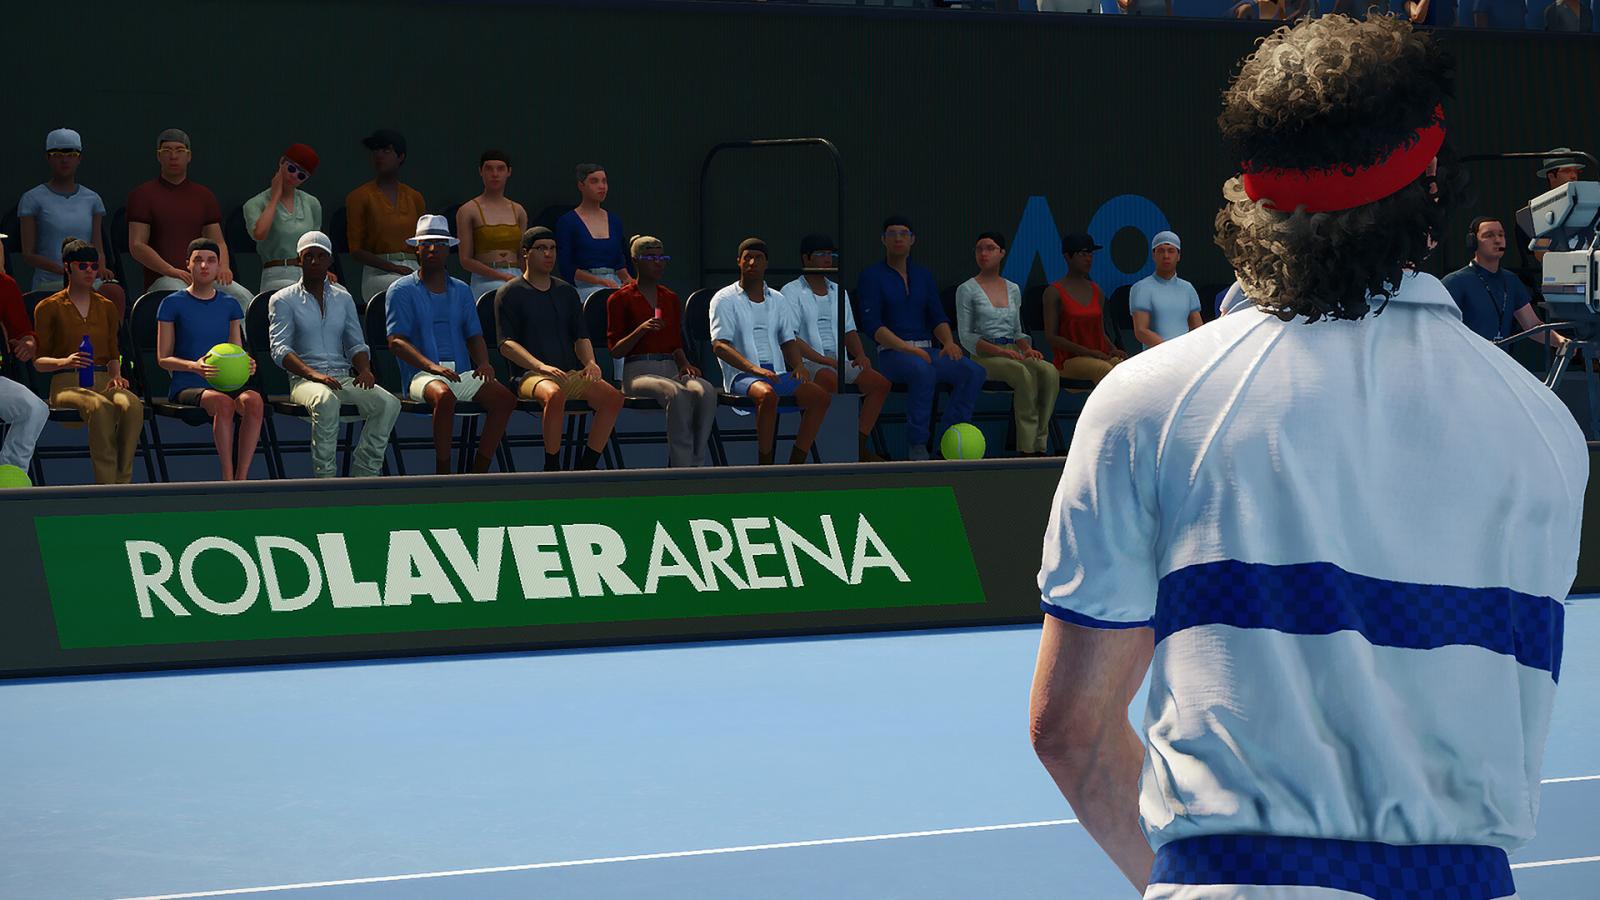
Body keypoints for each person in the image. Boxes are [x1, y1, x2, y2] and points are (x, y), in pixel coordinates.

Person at [1031, 15, 1585, 900]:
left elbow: (1073, 735)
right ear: (1431, 191)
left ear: (1251, 199)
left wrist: (1187, 883)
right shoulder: (1545, 431)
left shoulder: (1145, 404)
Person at [384, 215, 515, 475]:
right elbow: (396, 342)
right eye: (427, 243)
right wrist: (431, 367)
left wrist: (484, 363)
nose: (433, 249)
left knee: (505, 399)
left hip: (461, 374)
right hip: (421, 375)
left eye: (440, 244)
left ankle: (478, 472)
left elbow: (474, 334)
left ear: (448, 250)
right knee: (444, 396)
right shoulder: (400, 290)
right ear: (417, 249)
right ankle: (443, 473)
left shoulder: (462, 290)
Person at [267, 231, 399, 478]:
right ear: (299, 260)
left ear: (330, 260)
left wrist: (364, 370)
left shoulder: (343, 298)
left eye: (321, 256)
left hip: (342, 377)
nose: (314, 261)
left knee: (388, 403)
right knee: (325, 400)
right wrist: (313, 374)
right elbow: (280, 350)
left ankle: (365, 473)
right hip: (304, 382)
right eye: (308, 256)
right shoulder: (282, 300)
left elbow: (355, 343)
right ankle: (325, 478)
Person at [496, 226, 623, 472]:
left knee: (613, 397)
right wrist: (540, 366)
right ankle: (552, 467)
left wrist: (590, 363)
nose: (548, 254)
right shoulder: (509, 293)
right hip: (528, 375)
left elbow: (581, 336)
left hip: (567, 373)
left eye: (552, 248)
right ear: (526, 253)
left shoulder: (567, 292)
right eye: (541, 248)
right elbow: (506, 345)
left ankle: (586, 467)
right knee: (553, 394)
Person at [857, 216, 985, 461]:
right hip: (892, 354)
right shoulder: (871, 276)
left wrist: (948, 342)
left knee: (973, 371)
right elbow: (873, 326)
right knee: (922, 371)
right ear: (883, 240)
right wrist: (908, 349)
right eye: (892, 234)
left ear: (912, 239)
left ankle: (950, 441)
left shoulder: (923, 275)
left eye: (903, 233)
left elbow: (937, 316)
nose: (898, 238)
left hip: (927, 351)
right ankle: (917, 445)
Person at [709, 238, 832, 466]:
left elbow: (788, 340)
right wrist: (754, 369)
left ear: (766, 263)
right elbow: (719, 346)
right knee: (767, 395)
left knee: (820, 397)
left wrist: (799, 365)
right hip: (743, 376)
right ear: (739, 261)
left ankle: (796, 463)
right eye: (747, 258)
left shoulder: (778, 299)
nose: (752, 262)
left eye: (758, 258)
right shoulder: (724, 299)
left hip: (777, 373)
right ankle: (765, 465)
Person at [30, 239, 144, 484]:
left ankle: (123, 481)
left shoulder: (106, 307)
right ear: (67, 267)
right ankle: (106, 486)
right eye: (83, 266)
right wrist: (65, 361)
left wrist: (116, 374)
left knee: (132, 404)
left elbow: (113, 352)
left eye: (94, 266)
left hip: (104, 379)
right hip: (66, 383)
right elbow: (39, 362)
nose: (90, 271)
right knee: (99, 406)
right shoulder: (48, 307)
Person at [156, 239, 264, 481]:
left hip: (227, 383)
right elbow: (163, 358)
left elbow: (237, 349)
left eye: (211, 260)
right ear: (188, 264)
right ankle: (227, 477)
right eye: (198, 260)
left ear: (218, 266)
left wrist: (247, 364)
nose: (204, 265)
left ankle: (242, 478)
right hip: (188, 384)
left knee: (254, 401)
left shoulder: (230, 304)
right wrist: (194, 366)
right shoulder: (171, 303)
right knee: (223, 404)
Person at [778, 233, 891, 463]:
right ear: (806, 258)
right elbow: (791, 338)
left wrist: (860, 354)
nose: (828, 259)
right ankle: (807, 454)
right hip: (807, 362)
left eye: (831, 254)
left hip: (839, 361)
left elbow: (849, 330)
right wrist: (822, 360)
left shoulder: (839, 291)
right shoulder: (791, 291)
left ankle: (857, 446)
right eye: (821, 254)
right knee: (829, 379)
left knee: (879, 383)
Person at [606, 235, 717, 468]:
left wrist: (684, 363)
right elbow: (616, 351)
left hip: (671, 368)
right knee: (675, 393)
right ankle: (681, 467)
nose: (658, 263)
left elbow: (675, 342)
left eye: (661, 258)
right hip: (638, 372)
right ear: (636, 261)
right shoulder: (620, 299)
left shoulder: (669, 298)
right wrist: (641, 330)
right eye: (650, 258)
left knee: (705, 391)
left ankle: (697, 460)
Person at [955, 232, 1059, 457]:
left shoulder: (1013, 288)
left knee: (1049, 372)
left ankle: (1040, 442)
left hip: (1013, 350)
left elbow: (1016, 330)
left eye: (990, 248)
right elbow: (967, 337)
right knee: (1021, 373)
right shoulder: (966, 290)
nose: (983, 253)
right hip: (984, 356)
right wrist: (1000, 351)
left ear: (1002, 253)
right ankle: (1027, 448)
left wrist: (1026, 348)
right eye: (979, 249)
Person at [127, 129, 253, 306]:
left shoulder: (204, 196)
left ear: (189, 156)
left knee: (243, 297)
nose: (173, 156)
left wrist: (223, 267)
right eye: (167, 151)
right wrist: (170, 270)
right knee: (183, 297)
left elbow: (218, 241)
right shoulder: (143, 195)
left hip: (204, 275)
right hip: (164, 278)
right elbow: (137, 245)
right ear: (159, 156)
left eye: (179, 150)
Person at [17, 128, 125, 312]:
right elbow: (28, 254)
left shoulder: (92, 199)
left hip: (87, 277)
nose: (65, 160)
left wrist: (100, 267)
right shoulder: (32, 199)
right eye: (58, 154)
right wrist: (67, 271)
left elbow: (97, 247)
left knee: (113, 292)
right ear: (48, 158)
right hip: (50, 281)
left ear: (79, 158)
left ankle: (112, 333)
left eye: (71, 154)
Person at [1442, 217, 1567, 351]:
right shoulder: (1455, 282)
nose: (1497, 240)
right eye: (1489, 235)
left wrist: (1561, 341)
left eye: (1501, 235)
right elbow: (1440, 329)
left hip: (1500, 360)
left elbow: (1532, 326)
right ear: (1472, 242)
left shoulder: (1511, 280)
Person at [346, 129, 426, 304]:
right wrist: (393, 267)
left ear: (401, 156)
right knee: (405, 289)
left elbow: (423, 242)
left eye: (386, 150)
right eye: (376, 150)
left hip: (414, 268)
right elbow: (356, 250)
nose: (379, 155)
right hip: (378, 272)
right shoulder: (358, 197)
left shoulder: (415, 197)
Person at [1042, 233, 1126, 384]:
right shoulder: (1054, 292)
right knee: (1104, 369)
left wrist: (1112, 349)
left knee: (1124, 367)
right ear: (1068, 257)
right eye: (1082, 254)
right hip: (1069, 361)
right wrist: (1089, 352)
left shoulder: (1096, 290)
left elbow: (1100, 331)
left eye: (1091, 254)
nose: (1088, 259)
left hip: (1099, 356)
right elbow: (1051, 337)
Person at [244, 143, 324, 294]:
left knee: (340, 294)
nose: (294, 176)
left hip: (309, 271)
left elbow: (316, 243)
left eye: (301, 175)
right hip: (277, 272)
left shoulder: (312, 203)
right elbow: (259, 234)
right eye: (291, 168)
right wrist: (275, 197)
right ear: (282, 162)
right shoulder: (255, 204)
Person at [0, 249, 47, 479]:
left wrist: (28, 343)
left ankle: (10, 475)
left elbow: (23, 332)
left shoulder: (5, 285)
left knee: (34, 409)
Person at [555, 163, 633, 303]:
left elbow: (619, 262)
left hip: (614, 284)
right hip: (584, 287)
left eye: (604, 181)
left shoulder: (614, 221)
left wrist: (628, 280)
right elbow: (567, 267)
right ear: (581, 185)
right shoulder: (568, 222)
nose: (602, 186)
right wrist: (600, 281)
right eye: (594, 181)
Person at [457, 150, 529, 300]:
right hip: (484, 280)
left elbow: (522, 255)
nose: (495, 174)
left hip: (516, 277)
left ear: (509, 172)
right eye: (489, 169)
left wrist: (527, 280)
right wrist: (502, 276)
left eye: (500, 169)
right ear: (480, 171)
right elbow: (465, 259)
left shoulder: (518, 211)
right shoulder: (468, 210)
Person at [1516, 148, 1588, 272]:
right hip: (1560, 273)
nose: (1573, 176)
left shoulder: (1588, 204)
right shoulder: (1538, 210)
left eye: (1576, 171)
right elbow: (1542, 254)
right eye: (1566, 171)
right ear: (1551, 176)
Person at [1129, 231, 1202, 348]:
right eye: (1161, 251)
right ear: (1153, 255)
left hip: (1185, 355)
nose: (1166, 256)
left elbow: (1198, 329)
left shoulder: (1188, 288)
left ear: (1178, 256)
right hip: (1156, 356)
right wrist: (1170, 350)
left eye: (1171, 251)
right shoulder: (1141, 288)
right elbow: (1141, 331)